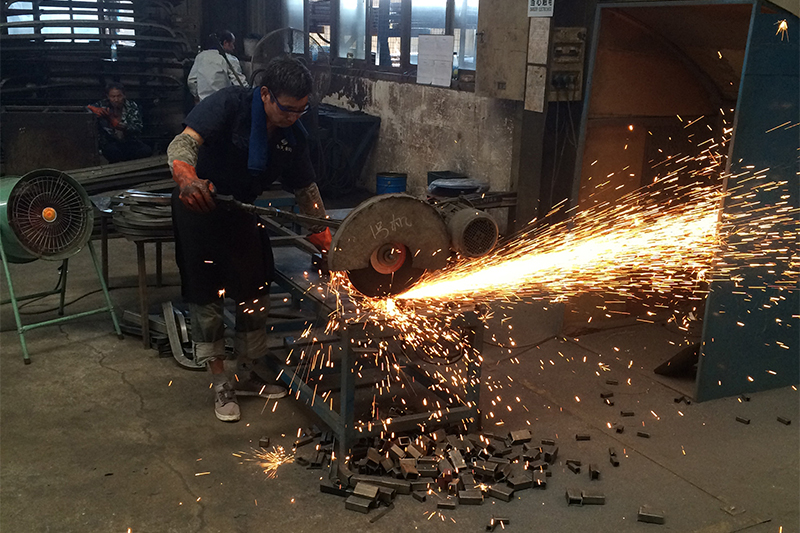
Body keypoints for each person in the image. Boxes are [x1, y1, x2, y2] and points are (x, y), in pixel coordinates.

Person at [168, 57, 331, 422]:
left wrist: (325, 236)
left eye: (301, 110)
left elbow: (306, 188)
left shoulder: (293, 132)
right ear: (266, 94)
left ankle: (248, 369)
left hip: (242, 209)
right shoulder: (229, 104)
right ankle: (220, 380)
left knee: (254, 286)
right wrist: (187, 179)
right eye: (287, 109)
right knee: (206, 292)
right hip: (199, 206)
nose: (293, 117)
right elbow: (183, 143)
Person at [87, 82, 152, 163]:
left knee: (146, 151)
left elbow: (137, 127)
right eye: (113, 97)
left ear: (124, 95)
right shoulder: (102, 104)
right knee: (112, 152)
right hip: (111, 142)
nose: (116, 100)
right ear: (108, 96)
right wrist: (95, 110)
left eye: (119, 96)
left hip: (129, 142)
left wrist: (120, 126)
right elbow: (86, 108)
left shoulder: (131, 105)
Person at [187, 31, 249, 103]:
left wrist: (196, 95)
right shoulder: (230, 59)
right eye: (232, 44)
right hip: (223, 104)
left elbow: (191, 81)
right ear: (225, 43)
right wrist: (250, 93)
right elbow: (239, 83)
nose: (233, 47)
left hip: (203, 103)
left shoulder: (200, 57)